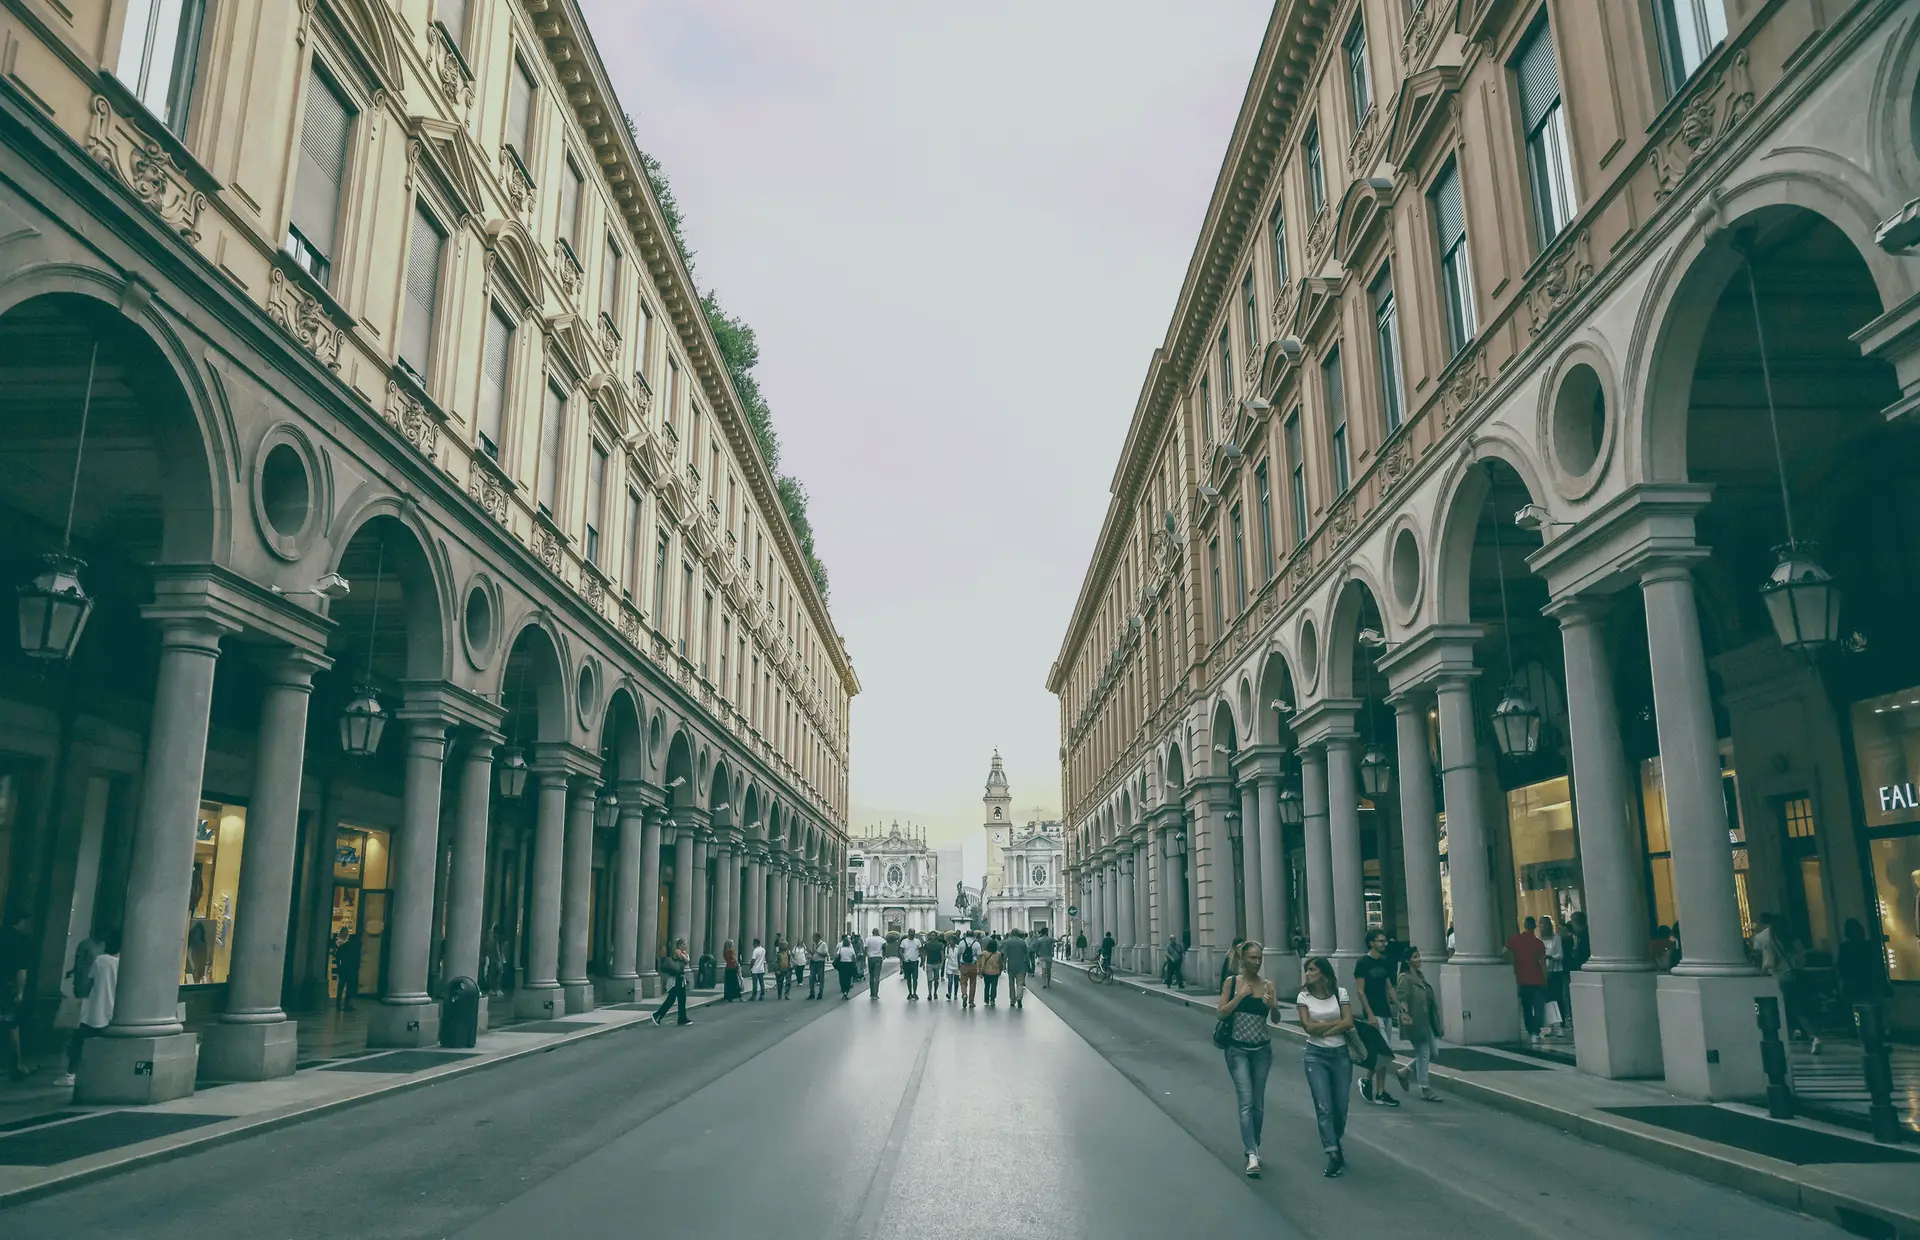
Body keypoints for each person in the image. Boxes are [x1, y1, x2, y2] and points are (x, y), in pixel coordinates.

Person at [1217, 940, 1280, 1177]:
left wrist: (1273, 1006)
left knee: (1258, 1104)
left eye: (1259, 958)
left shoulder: (1268, 985)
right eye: (1253, 958)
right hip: (1238, 1050)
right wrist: (1239, 997)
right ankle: (1251, 1153)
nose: (1257, 962)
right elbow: (1220, 1013)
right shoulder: (1232, 983)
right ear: (1243, 960)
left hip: (1262, 1050)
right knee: (1246, 1102)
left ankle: (1256, 1144)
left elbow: (1275, 1020)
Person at [1297, 956, 1356, 1178]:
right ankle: (1332, 1152)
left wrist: (1324, 1027)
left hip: (1341, 1055)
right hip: (1315, 1056)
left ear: (1323, 972)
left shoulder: (1340, 994)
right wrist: (1335, 1025)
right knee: (1323, 1106)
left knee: (1340, 1107)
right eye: (1307, 970)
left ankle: (1335, 1139)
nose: (1308, 973)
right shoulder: (1303, 996)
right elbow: (1307, 1026)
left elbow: (1349, 1021)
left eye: (1312, 969)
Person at [54, 929, 119, 1088]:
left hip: (94, 1009)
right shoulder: (123, 964)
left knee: (78, 1041)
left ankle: (71, 1073)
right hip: (112, 1010)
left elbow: (89, 982)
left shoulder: (100, 961)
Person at [1351, 929, 1403, 1107]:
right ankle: (1380, 1091)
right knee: (1383, 1052)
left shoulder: (1385, 961)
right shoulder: (1362, 963)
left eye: (1385, 940)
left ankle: (1368, 1081)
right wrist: (1370, 1014)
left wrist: (1399, 1005)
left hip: (1386, 1012)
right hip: (1373, 1014)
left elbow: (1389, 987)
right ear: (1371, 943)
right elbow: (1360, 991)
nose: (1384, 944)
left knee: (1383, 1054)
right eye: (1381, 941)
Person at [1753, 912, 1817, 1050]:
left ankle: (1795, 1034)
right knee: (1802, 1007)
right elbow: (1803, 959)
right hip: (1800, 976)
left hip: (1783, 977)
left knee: (1785, 1008)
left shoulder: (1773, 941)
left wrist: (1761, 974)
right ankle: (1811, 1034)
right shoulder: (1795, 940)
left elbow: (1769, 963)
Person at [1396, 948, 1444, 1102]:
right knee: (1423, 1053)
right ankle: (1425, 1088)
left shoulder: (1420, 976)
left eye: (1418, 957)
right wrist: (1405, 1015)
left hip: (1426, 1021)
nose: (1418, 960)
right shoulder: (1405, 977)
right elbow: (1402, 998)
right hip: (1414, 1021)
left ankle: (1405, 1071)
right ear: (1407, 960)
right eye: (1415, 957)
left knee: (1433, 1053)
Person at [1506, 916, 1548, 1045]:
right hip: (1537, 978)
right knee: (1539, 1006)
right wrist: (1546, 977)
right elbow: (1542, 962)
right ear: (1535, 926)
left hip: (1522, 979)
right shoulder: (1539, 943)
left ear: (1524, 925)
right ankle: (1536, 1030)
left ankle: (1531, 1030)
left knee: (1527, 1007)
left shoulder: (1515, 940)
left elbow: (1503, 951)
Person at [2, 913, 34, 1081]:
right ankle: (17, 1065)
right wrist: (20, 992)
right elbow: (21, 969)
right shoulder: (20, 939)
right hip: (8, 987)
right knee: (11, 1024)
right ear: (21, 921)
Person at [1837, 917, 1890, 1009]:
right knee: (1875, 1013)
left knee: (1858, 1015)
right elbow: (1878, 967)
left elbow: (1842, 970)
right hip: (1871, 986)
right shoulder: (1870, 946)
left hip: (1853, 988)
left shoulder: (1845, 948)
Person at [651, 939, 692, 1026]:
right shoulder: (677, 952)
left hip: (680, 978)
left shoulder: (682, 952)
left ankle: (682, 1018)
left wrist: (686, 955)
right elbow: (687, 960)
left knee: (681, 999)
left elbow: (687, 959)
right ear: (679, 945)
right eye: (684, 944)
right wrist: (686, 955)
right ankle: (657, 1015)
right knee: (672, 999)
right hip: (676, 979)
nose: (685, 946)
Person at [1540, 917, 1568, 1035]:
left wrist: (1550, 957)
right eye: (1541, 924)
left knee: (1558, 998)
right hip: (1544, 971)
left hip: (1556, 971)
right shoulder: (1540, 940)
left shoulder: (1556, 938)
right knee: (1548, 998)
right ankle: (1551, 1025)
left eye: (1545, 924)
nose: (1543, 926)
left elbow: (1560, 955)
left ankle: (1562, 1025)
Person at [333, 927, 362, 1013]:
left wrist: (338, 967)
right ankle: (346, 1005)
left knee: (341, 987)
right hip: (351, 970)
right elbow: (357, 960)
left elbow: (338, 957)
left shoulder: (344, 946)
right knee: (349, 988)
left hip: (343, 969)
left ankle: (338, 1004)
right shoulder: (356, 948)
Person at [1003, 928, 1033, 1008]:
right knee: (1020, 983)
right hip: (1021, 965)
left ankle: (1012, 1000)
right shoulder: (1023, 942)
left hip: (1011, 965)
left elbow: (1005, 954)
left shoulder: (1007, 942)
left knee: (1011, 983)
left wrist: (1003, 964)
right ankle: (1019, 998)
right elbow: (1027, 955)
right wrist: (1027, 963)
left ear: (1011, 934)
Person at [958, 928, 982, 1008]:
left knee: (963, 982)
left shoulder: (961, 943)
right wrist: (979, 967)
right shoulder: (977, 944)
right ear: (973, 935)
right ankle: (971, 1002)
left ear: (966, 934)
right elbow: (979, 956)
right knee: (973, 983)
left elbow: (959, 954)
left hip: (964, 965)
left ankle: (964, 994)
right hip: (973, 966)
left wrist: (959, 964)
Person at [864, 926, 886, 999]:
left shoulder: (868, 939)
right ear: (878, 932)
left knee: (871, 976)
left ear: (872, 933)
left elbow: (865, 949)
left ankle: (871, 993)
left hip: (870, 958)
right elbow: (885, 947)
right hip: (878, 958)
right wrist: (884, 955)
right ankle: (875, 994)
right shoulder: (881, 939)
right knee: (877, 976)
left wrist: (865, 957)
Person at [982, 935, 1005, 1006]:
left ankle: (986, 999)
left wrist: (981, 971)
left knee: (987, 986)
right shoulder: (998, 954)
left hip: (986, 972)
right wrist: (1000, 970)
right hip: (995, 972)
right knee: (994, 986)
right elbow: (1001, 964)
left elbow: (982, 963)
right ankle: (992, 999)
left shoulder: (985, 953)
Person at [899, 930, 922, 1000]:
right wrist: (903, 958)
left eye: (913, 933)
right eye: (911, 933)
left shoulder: (917, 941)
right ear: (908, 933)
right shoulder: (904, 941)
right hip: (906, 962)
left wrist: (922, 960)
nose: (912, 934)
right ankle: (910, 993)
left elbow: (921, 950)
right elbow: (900, 950)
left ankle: (914, 993)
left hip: (915, 962)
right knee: (908, 979)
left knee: (915, 978)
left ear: (914, 933)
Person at [945, 932, 963, 1001]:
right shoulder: (947, 948)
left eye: (952, 940)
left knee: (956, 982)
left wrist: (960, 965)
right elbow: (946, 956)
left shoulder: (958, 948)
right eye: (950, 940)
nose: (951, 941)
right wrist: (946, 949)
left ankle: (955, 994)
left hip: (957, 966)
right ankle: (949, 993)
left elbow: (960, 957)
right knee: (950, 981)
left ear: (955, 941)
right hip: (949, 966)